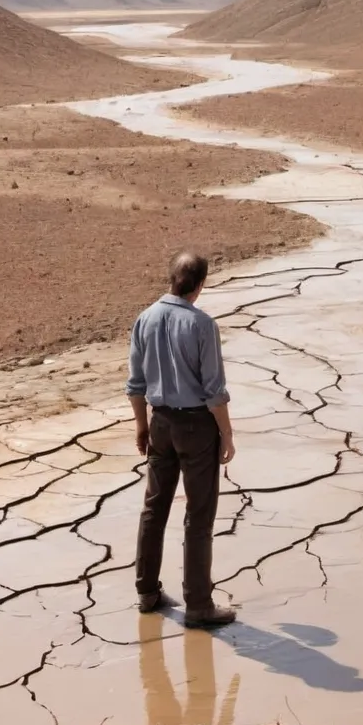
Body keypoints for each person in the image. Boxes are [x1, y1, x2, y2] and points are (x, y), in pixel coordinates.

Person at [126, 251, 237, 628]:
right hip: (196, 427)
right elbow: (214, 390)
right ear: (201, 284)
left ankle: (147, 592)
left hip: (160, 423)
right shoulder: (202, 324)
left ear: (172, 278)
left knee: (154, 509)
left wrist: (142, 426)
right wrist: (227, 433)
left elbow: (135, 384)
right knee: (199, 515)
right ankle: (199, 605)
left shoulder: (145, 318)